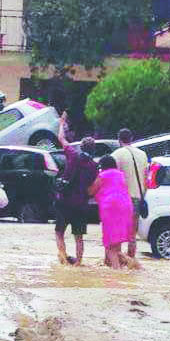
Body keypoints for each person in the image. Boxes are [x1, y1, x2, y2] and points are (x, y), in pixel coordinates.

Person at [55, 112, 98, 265]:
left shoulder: (73, 155)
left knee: (59, 232)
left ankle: (64, 259)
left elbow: (61, 138)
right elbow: (93, 187)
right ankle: (79, 263)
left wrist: (62, 123)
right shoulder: (94, 166)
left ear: (81, 146)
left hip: (65, 202)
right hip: (81, 204)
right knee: (78, 236)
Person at [88, 155, 134, 269]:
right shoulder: (120, 174)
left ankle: (117, 271)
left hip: (110, 207)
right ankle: (134, 265)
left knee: (109, 245)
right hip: (126, 206)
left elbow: (91, 191)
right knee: (117, 243)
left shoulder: (102, 175)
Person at [110, 128, 149, 259]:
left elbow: (112, 178)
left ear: (119, 139)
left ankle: (118, 263)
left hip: (122, 199)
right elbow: (146, 178)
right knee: (132, 235)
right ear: (131, 138)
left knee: (118, 233)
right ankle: (131, 262)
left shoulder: (116, 154)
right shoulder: (143, 154)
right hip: (138, 198)